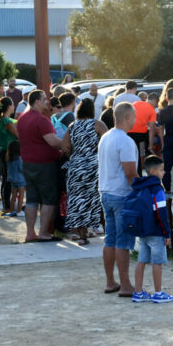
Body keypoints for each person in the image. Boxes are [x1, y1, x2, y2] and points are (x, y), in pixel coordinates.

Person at [97, 102, 139, 296]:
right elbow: (130, 173)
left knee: (110, 239)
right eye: (134, 116)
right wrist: (144, 189)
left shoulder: (105, 137)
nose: (136, 120)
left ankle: (109, 281)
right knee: (123, 241)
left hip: (105, 192)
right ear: (127, 118)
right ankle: (125, 284)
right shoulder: (125, 141)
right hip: (122, 195)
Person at [16, 90, 64, 242]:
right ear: (36, 101)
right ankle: (43, 232)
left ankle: (30, 233)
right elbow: (53, 142)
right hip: (45, 164)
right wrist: (68, 143)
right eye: (44, 99)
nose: (47, 102)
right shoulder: (42, 120)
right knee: (49, 199)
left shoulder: (22, 119)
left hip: (28, 162)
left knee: (31, 200)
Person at [127, 155, 173, 303]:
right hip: (156, 232)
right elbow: (161, 213)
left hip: (143, 231)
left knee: (141, 261)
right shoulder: (157, 189)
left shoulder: (140, 185)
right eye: (161, 170)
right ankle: (158, 293)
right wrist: (167, 233)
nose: (164, 172)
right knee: (157, 262)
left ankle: (138, 292)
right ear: (153, 171)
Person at [62, 97, 106, 245]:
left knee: (76, 200)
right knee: (91, 199)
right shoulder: (97, 125)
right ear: (92, 111)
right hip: (93, 167)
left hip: (76, 167)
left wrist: (75, 157)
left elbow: (65, 147)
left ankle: (80, 235)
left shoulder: (72, 126)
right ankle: (91, 229)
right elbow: (107, 142)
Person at [0, 98, 18, 211]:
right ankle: (7, 205)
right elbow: (17, 135)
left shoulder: (3, 120)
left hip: (4, 151)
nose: (14, 106)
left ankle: (7, 204)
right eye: (13, 104)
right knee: (8, 178)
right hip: (8, 152)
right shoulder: (6, 121)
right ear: (9, 106)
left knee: (6, 177)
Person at [129, 91, 157, 160]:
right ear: (155, 102)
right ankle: (140, 169)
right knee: (141, 154)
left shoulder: (134, 104)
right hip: (141, 135)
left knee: (130, 153)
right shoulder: (152, 111)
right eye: (156, 104)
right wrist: (150, 146)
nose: (155, 106)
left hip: (128, 132)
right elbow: (151, 129)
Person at [4, 141, 25, 216]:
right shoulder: (19, 158)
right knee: (21, 195)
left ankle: (11, 210)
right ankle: (19, 211)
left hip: (12, 180)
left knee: (13, 196)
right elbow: (21, 169)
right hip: (20, 180)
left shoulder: (8, 158)